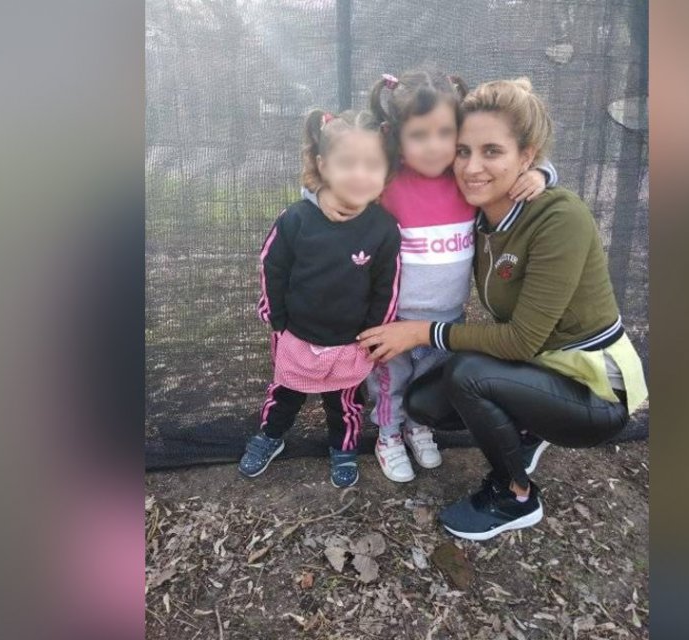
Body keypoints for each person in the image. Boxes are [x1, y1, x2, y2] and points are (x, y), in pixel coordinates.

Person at [357, 78, 648, 539]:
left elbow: (521, 340)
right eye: (463, 151)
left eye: (492, 151)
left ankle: (515, 496)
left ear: (526, 156)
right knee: (423, 402)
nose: (472, 167)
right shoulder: (479, 214)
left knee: (466, 374)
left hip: (595, 390)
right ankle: (528, 431)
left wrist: (419, 332)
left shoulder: (559, 217)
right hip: (540, 369)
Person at [307, 69, 558, 483]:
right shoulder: (386, 181)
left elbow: (525, 159)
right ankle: (388, 435)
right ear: (395, 135)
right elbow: (332, 180)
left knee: (428, 381)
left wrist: (542, 175)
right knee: (391, 383)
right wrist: (321, 194)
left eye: (445, 133)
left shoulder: (466, 180)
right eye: (419, 135)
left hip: (447, 318)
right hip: (393, 319)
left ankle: (417, 427)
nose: (434, 146)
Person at [239, 108, 401, 488]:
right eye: (347, 163)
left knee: (345, 403)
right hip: (297, 334)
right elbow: (272, 265)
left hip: (351, 341)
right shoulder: (296, 219)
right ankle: (271, 436)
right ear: (323, 165)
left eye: (372, 165)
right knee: (285, 392)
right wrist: (276, 317)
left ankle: (343, 447)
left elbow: (387, 285)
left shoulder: (383, 228)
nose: (359, 174)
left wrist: (375, 333)